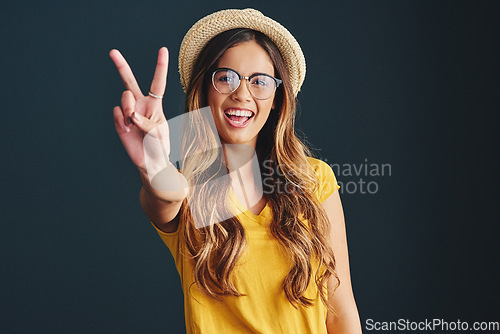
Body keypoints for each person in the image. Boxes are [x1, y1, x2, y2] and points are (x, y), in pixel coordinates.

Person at [110, 8, 361, 334]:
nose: (242, 93)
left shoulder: (315, 179)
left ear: (275, 99)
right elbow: (164, 192)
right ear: (205, 90)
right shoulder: (187, 190)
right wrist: (155, 166)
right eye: (226, 77)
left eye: (260, 82)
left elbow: (340, 312)